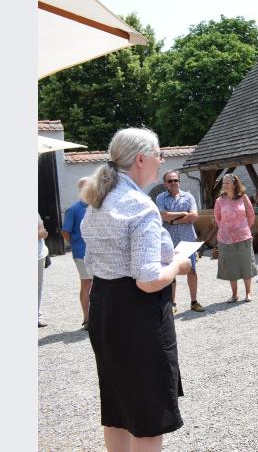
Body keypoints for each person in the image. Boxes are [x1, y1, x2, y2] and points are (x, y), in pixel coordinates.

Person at [80, 128, 192, 451]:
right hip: (137, 316)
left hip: (104, 309)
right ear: (141, 159)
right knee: (146, 414)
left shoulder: (97, 201)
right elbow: (147, 279)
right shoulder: (140, 207)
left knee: (116, 409)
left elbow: (91, 260)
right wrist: (178, 266)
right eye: (159, 154)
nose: (162, 160)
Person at [155, 171, 205, 313]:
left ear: (179, 181)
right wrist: (184, 214)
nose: (173, 183)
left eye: (175, 180)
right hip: (169, 241)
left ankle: (194, 301)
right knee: (171, 272)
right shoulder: (160, 198)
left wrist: (172, 220)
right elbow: (163, 216)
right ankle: (172, 304)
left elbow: (194, 216)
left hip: (188, 239)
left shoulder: (188, 196)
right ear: (165, 183)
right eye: (170, 181)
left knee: (192, 270)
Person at [214, 174, 258, 303]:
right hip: (225, 238)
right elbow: (217, 218)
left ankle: (248, 292)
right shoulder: (219, 201)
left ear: (234, 184)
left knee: (246, 264)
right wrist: (226, 229)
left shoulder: (243, 198)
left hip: (243, 236)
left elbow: (251, 216)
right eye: (223, 183)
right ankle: (234, 295)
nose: (225, 185)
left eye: (227, 182)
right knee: (230, 267)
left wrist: (243, 228)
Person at [62, 177, 93, 329]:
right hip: (82, 253)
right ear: (80, 190)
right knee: (87, 283)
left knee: (101, 284)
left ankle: (98, 317)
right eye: (84, 187)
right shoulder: (74, 209)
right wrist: (76, 245)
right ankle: (87, 319)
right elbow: (65, 232)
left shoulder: (98, 206)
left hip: (99, 252)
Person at [37, 213, 49, 328]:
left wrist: (41, 233)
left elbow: (43, 232)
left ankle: (37, 316)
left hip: (38, 254)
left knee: (38, 285)